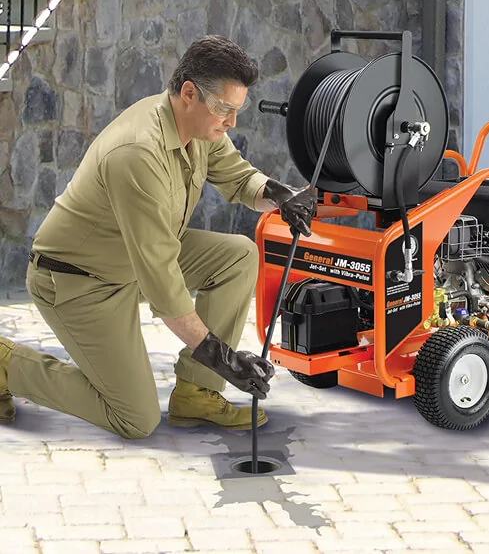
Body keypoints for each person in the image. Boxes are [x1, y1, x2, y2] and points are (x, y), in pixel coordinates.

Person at [0, 35, 317, 439]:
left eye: (236, 110)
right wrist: (226, 360)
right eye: (225, 109)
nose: (232, 122)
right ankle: (7, 365)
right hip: (76, 281)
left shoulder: (198, 129)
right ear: (190, 94)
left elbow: (240, 178)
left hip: (132, 260)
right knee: (135, 419)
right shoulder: (138, 153)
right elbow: (164, 287)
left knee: (237, 256)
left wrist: (281, 195)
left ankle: (197, 394)